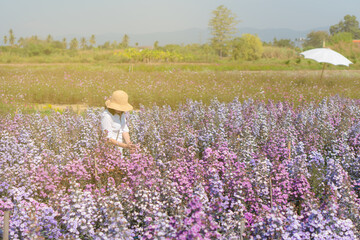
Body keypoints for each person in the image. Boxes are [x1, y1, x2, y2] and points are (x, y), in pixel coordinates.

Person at [101, 90, 136, 155]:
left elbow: (124, 130)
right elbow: (108, 138)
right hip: (109, 150)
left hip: (119, 149)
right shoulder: (106, 116)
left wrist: (129, 144)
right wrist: (125, 146)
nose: (121, 109)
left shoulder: (121, 114)